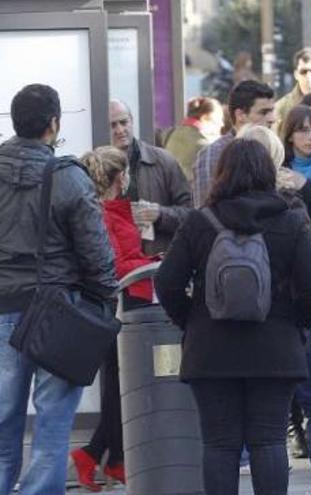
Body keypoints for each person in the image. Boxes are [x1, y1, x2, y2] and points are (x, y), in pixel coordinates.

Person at [154, 139, 311, 495]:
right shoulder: (291, 220)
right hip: (275, 348)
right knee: (269, 441)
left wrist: (190, 320)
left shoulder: (199, 222)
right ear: (268, 173)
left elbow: (167, 281)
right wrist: (294, 321)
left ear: (222, 173)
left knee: (219, 444)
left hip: (211, 349)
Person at [0, 84, 118, 495]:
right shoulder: (67, 177)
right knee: (52, 427)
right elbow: (97, 253)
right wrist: (104, 299)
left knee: (2, 420)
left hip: (2, 310)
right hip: (57, 310)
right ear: (54, 124)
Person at [237, 124, 311, 495]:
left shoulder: (217, 210)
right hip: (292, 325)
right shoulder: (289, 207)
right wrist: (306, 317)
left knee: (256, 417)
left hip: (238, 326)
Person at [72, 147, 158, 491]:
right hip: (119, 306)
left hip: (129, 303)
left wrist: (151, 260)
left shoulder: (112, 212)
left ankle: (106, 457)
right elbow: (115, 266)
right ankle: (98, 456)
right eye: (124, 172)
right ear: (116, 178)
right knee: (119, 388)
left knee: (120, 388)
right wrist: (151, 266)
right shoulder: (105, 215)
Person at [109, 99, 192, 256]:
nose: (120, 130)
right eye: (112, 125)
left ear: (132, 122)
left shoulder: (163, 160)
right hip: (116, 264)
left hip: (157, 263)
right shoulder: (96, 167)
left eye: (123, 122)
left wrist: (159, 214)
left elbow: (190, 214)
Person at [192, 79, 277, 208]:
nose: (272, 119)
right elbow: (205, 211)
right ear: (240, 115)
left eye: (272, 111)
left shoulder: (274, 148)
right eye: (264, 112)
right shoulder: (214, 153)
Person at [164, 96, 225, 181]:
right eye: (219, 119)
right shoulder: (206, 144)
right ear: (205, 118)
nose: (222, 124)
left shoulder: (170, 134)